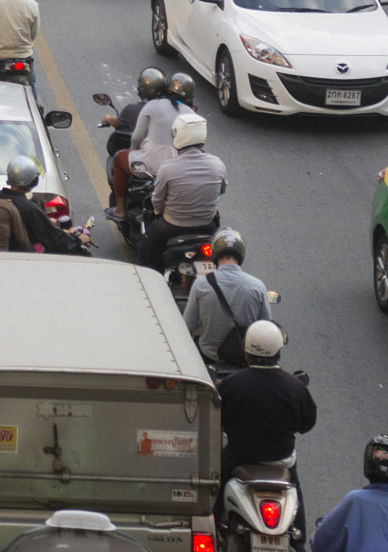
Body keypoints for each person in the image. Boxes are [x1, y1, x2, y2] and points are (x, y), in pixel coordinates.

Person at [217, 320, 315, 542]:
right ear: (278, 351)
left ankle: (210, 532)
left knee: (216, 486)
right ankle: (298, 549)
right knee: (295, 492)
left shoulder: (231, 384)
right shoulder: (295, 387)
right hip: (281, 459)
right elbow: (307, 424)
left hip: (239, 456)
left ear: (246, 350)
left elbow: (218, 419)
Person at [136, 111, 226, 272]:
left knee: (146, 248)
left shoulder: (168, 168)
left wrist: (158, 212)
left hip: (172, 226)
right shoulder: (217, 164)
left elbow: (157, 200)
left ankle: (150, 278)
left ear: (177, 135)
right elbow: (221, 190)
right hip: (207, 226)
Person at [182, 228, 271, 367]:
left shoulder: (201, 284)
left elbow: (188, 325)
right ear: (241, 253)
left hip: (209, 355)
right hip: (244, 357)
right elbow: (265, 327)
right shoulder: (257, 286)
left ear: (215, 253)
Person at [109, 67, 173, 218]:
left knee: (119, 160)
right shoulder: (176, 108)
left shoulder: (137, 109)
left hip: (149, 161)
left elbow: (136, 137)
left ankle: (120, 209)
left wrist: (133, 150)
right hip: (173, 159)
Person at [3, 157, 91, 255]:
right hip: (24, 258)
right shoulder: (30, 209)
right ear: (33, 180)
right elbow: (54, 238)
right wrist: (78, 241)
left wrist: (47, 220)